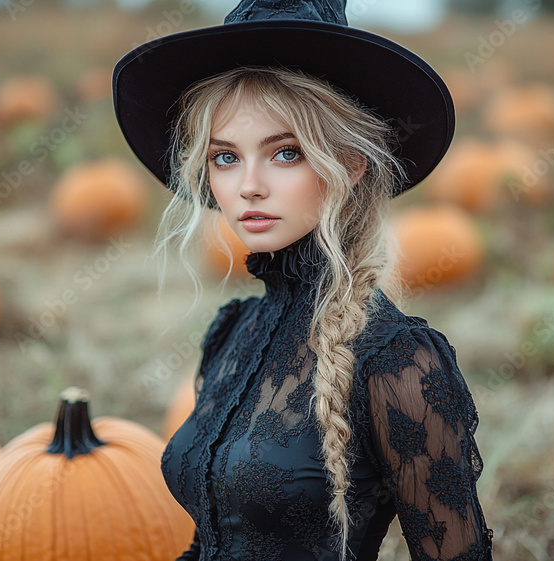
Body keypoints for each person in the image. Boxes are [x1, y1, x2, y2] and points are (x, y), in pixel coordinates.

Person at [112, 1, 494, 560]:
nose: (248, 186)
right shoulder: (230, 333)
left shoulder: (398, 363)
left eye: (284, 153)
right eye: (224, 158)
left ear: (350, 162)